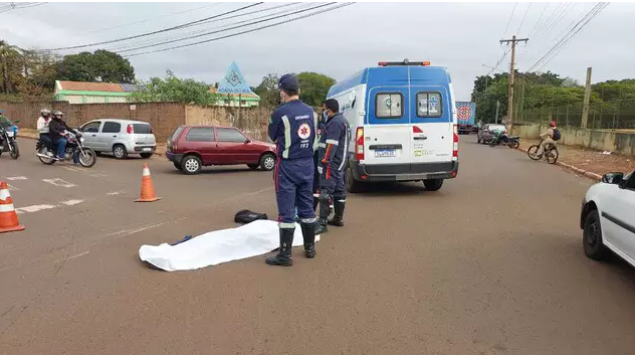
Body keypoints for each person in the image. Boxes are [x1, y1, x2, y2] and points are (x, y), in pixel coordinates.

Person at [265, 74, 318, 267]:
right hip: (307, 165)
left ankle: (285, 255)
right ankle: (310, 248)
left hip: (287, 166)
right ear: (298, 91)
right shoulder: (312, 112)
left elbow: (272, 137)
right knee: (307, 207)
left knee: (287, 211)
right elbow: (314, 140)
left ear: (283, 92)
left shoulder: (279, 113)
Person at [315, 99, 351, 235]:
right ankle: (337, 218)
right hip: (340, 162)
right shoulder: (343, 121)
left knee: (326, 190)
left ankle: (322, 223)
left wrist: (324, 161)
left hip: (331, 163)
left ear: (329, 110)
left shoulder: (335, 123)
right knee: (339, 190)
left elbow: (331, 144)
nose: (324, 112)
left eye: (324, 109)